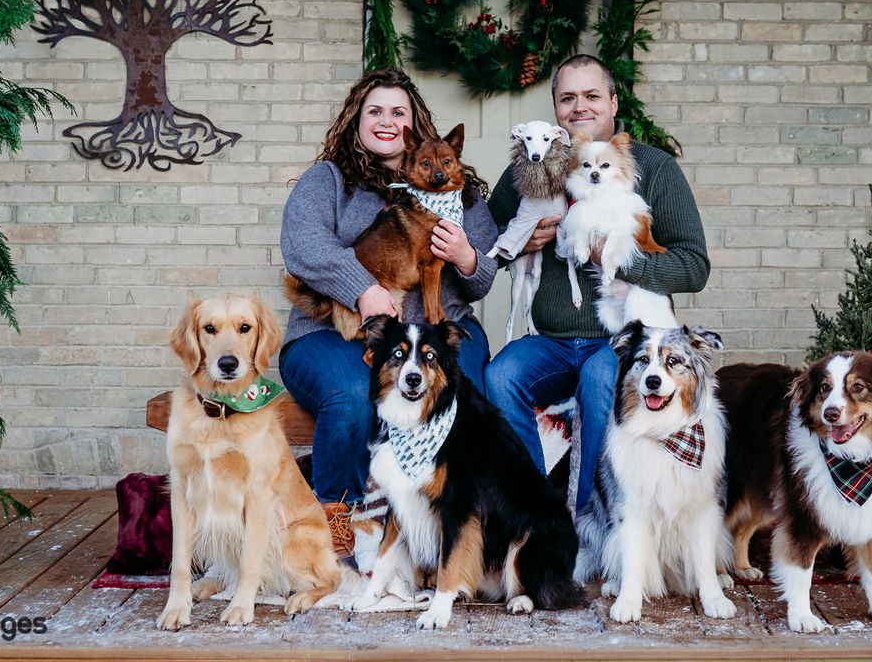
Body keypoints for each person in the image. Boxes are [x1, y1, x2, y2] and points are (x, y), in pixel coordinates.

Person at [278, 69, 497, 551]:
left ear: (414, 123)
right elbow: (302, 245)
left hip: (440, 330)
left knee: (467, 397)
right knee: (351, 394)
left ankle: (461, 525)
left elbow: (482, 279)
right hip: (330, 332)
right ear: (355, 119)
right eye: (374, 111)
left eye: (398, 112)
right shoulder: (328, 181)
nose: (385, 121)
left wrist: (467, 257)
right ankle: (338, 528)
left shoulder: (459, 193)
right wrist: (361, 289)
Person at [485, 54, 711, 514]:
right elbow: (485, 238)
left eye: (591, 95)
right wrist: (519, 240)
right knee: (500, 376)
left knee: (599, 378)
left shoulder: (653, 167)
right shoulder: (532, 165)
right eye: (567, 98)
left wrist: (617, 258)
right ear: (555, 108)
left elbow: (694, 267)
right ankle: (538, 514)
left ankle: (590, 518)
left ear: (613, 101)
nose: (579, 107)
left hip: (622, 340)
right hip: (550, 340)